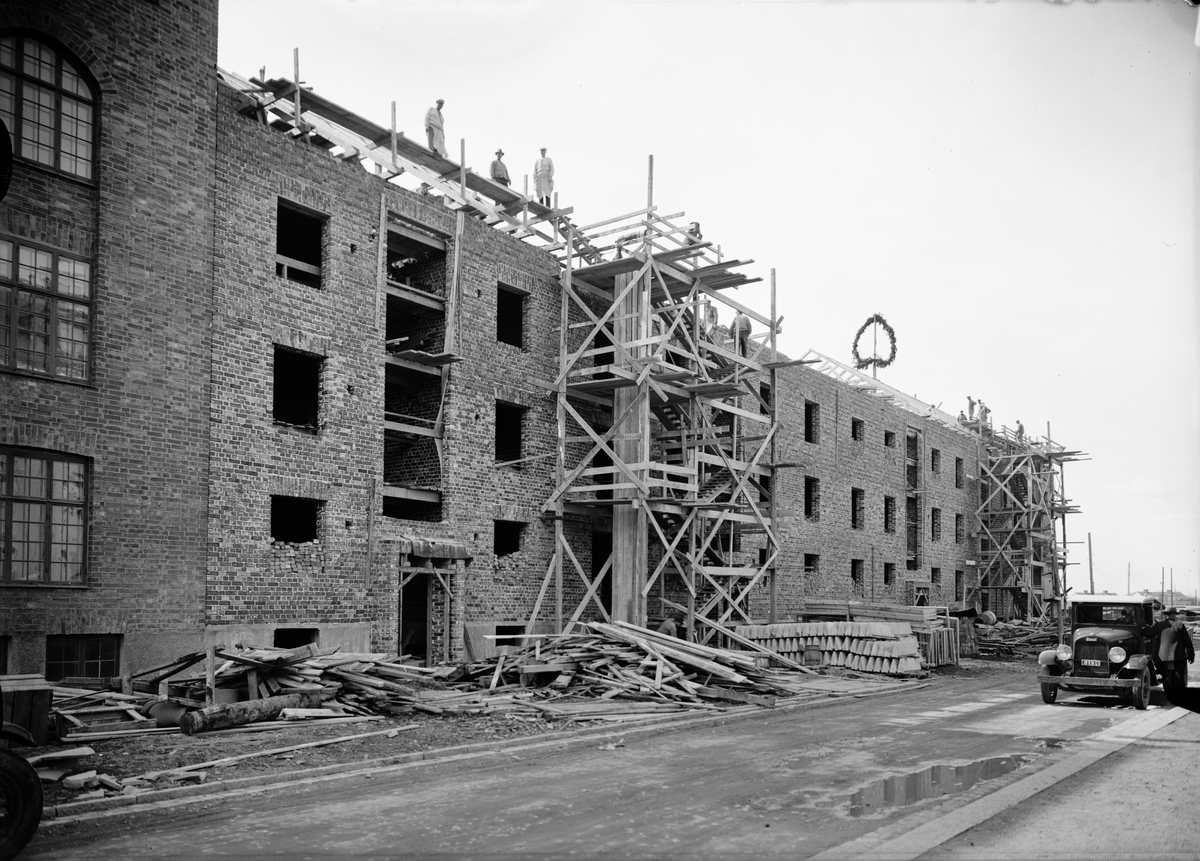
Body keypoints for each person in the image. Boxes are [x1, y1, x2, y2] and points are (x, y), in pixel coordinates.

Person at [1145, 607, 1195, 693]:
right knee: (1178, 677)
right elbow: (1187, 641)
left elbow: (1149, 634)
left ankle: (1168, 693)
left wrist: (1143, 628)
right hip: (1178, 656)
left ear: (1166, 615)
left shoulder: (1159, 625)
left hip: (1162, 657)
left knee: (1166, 676)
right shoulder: (1179, 625)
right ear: (1174, 615)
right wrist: (1191, 655)